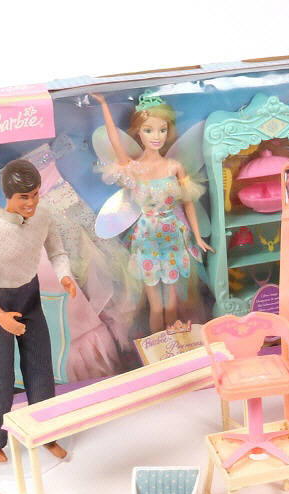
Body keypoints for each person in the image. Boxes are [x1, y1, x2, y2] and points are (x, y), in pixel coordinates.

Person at [0, 159, 76, 463]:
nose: (32, 203)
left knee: (41, 369)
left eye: (35, 194)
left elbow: (57, 251)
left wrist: (64, 276)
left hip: (29, 296)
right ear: (8, 196)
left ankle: (45, 433)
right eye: (24, 197)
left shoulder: (43, 215)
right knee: (0, 377)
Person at [92, 91, 213, 333]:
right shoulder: (133, 168)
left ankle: (175, 345)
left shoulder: (174, 167)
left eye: (162, 130)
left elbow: (188, 202)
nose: (156, 136)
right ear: (138, 132)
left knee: (172, 303)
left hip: (173, 236)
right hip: (146, 238)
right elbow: (115, 140)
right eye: (149, 130)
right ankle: (156, 349)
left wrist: (198, 237)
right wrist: (104, 104)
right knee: (156, 307)